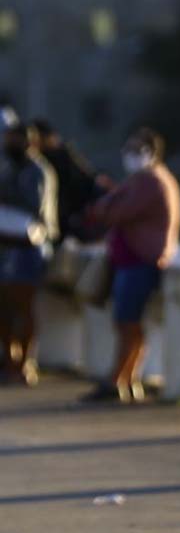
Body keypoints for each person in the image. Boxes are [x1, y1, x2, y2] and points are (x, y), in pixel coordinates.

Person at [83, 128, 180, 403]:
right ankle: (124, 379)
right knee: (127, 322)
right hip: (132, 261)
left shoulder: (150, 180)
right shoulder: (144, 179)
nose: (130, 155)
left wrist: (104, 203)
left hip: (140, 262)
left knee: (127, 321)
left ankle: (120, 379)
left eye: (137, 150)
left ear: (152, 152)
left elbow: (114, 211)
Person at [0, 109, 58, 386]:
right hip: (8, 246)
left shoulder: (38, 171)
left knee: (22, 307)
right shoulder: (11, 167)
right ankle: (10, 360)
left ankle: (24, 362)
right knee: (5, 309)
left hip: (29, 248)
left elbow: (33, 207)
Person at [31, 119, 109, 243]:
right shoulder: (37, 161)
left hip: (68, 219)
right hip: (58, 219)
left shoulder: (61, 157)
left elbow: (84, 182)